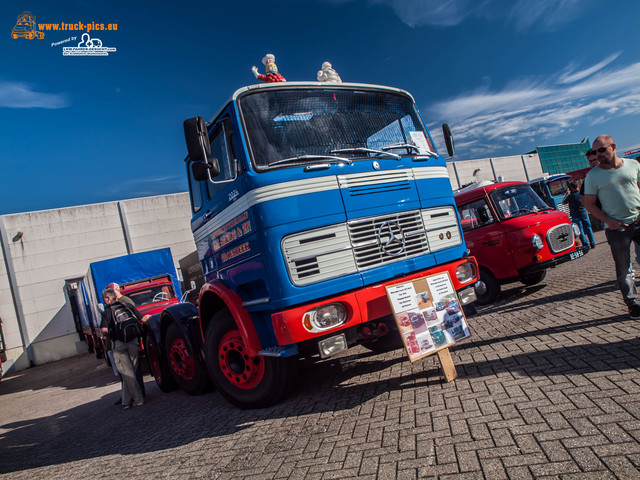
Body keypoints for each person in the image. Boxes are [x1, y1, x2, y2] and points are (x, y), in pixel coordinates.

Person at [582, 134, 640, 319]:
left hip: (638, 220)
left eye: (601, 150)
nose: (597, 154)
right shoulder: (593, 176)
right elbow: (588, 203)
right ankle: (633, 304)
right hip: (617, 229)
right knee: (624, 269)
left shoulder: (633, 165)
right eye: (594, 151)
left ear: (613, 146)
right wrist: (608, 221)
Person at [100, 288, 149, 409]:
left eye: (104, 299)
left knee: (127, 374)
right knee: (132, 371)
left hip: (119, 344)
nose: (105, 302)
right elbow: (142, 319)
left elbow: (104, 330)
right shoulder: (127, 306)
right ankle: (126, 402)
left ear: (108, 298)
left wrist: (112, 336)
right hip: (133, 342)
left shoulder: (107, 312)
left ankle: (138, 400)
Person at [562, 180, 595, 249]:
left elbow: (563, 202)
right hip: (584, 213)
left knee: (580, 231)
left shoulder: (570, 196)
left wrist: (567, 194)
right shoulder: (582, 194)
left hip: (576, 215)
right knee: (588, 228)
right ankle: (592, 243)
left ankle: (586, 245)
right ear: (577, 186)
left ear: (571, 188)